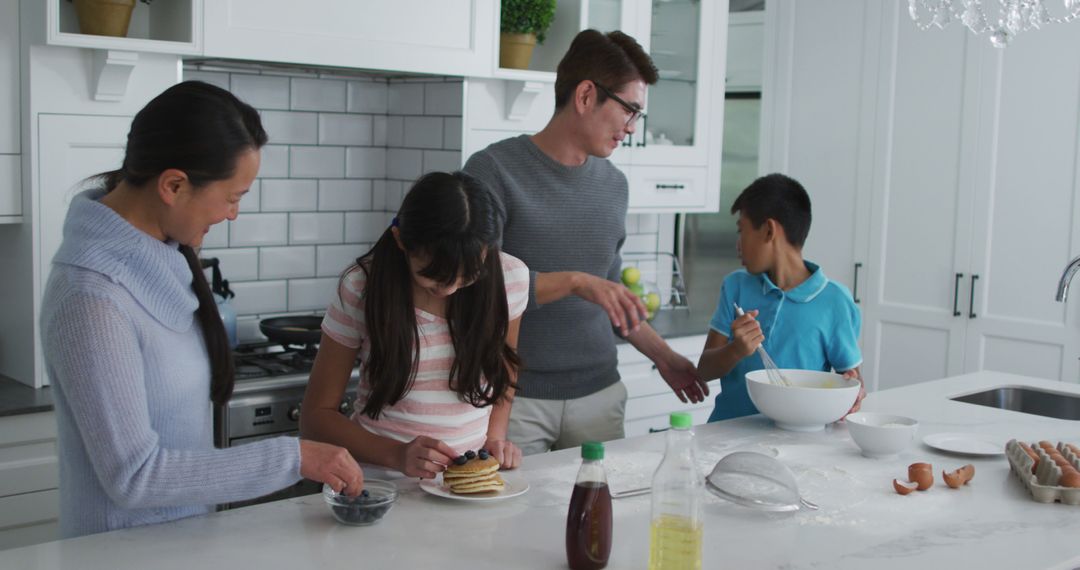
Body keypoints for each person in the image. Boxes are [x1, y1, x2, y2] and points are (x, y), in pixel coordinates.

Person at [39, 81, 364, 538]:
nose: (232, 214)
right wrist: (295, 457)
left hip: (180, 544)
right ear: (173, 184)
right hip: (118, 555)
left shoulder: (160, 258)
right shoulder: (90, 298)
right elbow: (134, 477)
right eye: (233, 197)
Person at [463, 30, 710, 456]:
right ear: (585, 96)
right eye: (630, 110)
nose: (632, 128)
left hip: (600, 396)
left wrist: (665, 357)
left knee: (597, 521)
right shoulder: (492, 171)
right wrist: (578, 282)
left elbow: (613, 297)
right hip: (513, 403)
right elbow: (477, 287)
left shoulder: (614, 186)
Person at [300, 171, 529, 478]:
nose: (448, 289)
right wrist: (396, 455)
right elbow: (315, 417)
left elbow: (504, 366)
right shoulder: (361, 286)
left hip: (466, 483)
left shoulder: (510, 279)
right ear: (401, 241)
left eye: (467, 278)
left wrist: (495, 438)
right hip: (378, 484)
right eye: (431, 275)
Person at [696, 173, 865, 422]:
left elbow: (851, 379)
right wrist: (736, 350)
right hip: (725, 433)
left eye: (741, 231)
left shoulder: (835, 301)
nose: (738, 244)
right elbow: (704, 370)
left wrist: (854, 393)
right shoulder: (736, 286)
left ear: (768, 230)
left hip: (796, 441)